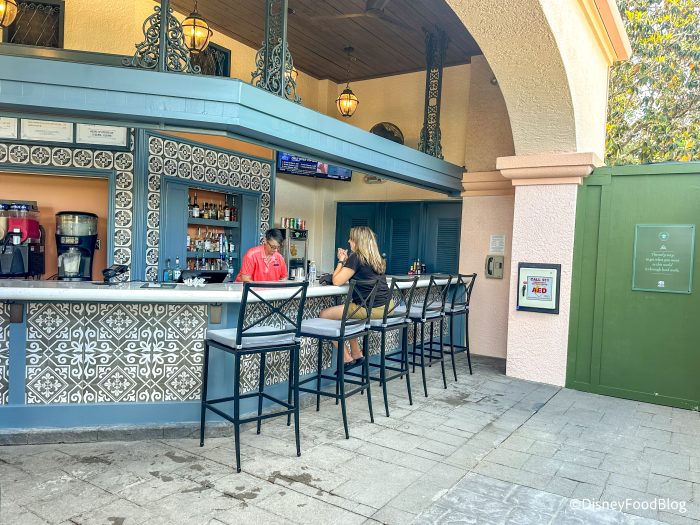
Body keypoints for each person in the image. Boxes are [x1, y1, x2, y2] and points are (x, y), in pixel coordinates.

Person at [320, 226, 390, 365]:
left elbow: (336, 281)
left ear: (358, 241)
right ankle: (357, 353)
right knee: (350, 313)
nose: (348, 241)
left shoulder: (356, 257)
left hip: (372, 309)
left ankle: (347, 358)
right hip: (387, 306)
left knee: (324, 315)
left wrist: (341, 260)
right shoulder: (376, 258)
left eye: (351, 239)